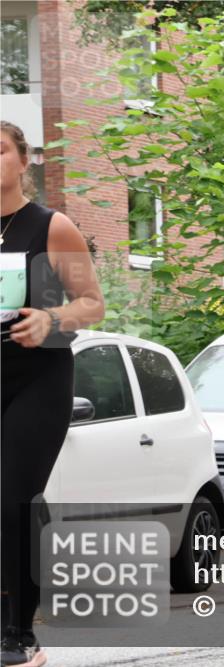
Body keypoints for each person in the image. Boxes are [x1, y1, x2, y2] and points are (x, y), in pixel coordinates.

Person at [1, 120, 105, 667]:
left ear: (24, 161)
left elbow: (92, 303)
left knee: (12, 499)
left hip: (37, 378)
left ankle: (17, 632)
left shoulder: (51, 226)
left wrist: (50, 318)